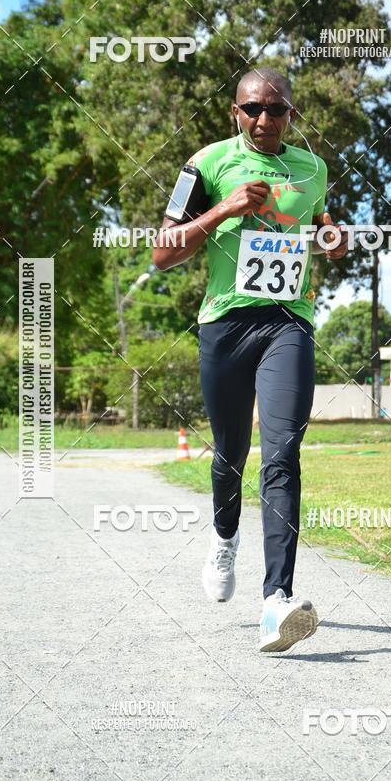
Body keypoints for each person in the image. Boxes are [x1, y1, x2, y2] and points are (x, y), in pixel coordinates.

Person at [153, 66, 347, 652]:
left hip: (289, 322)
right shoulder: (205, 164)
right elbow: (162, 252)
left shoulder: (313, 169)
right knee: (230, 455)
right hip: (225, 324)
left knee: (282, 452)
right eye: (253, 109)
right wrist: (224, 210)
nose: (265, 119)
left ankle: (276, 602)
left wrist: (331, 237)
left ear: (292, 113)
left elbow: (320, 223)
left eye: (277, 109)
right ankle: (223, 536)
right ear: (235, 112)